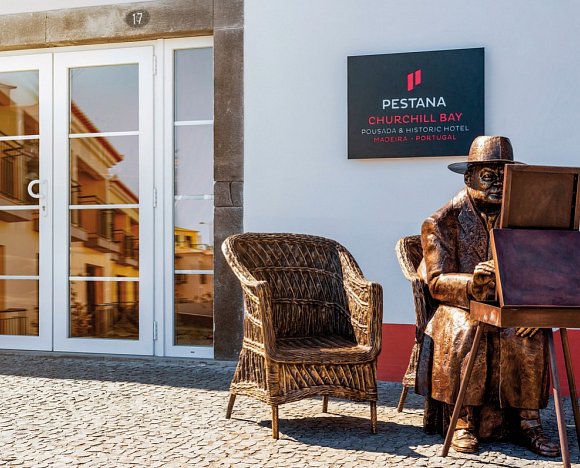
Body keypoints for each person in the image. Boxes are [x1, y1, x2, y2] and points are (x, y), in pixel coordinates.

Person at [417, 136, 559, 456]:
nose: (498, 184)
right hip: (458, 304)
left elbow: (537, 266)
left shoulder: (523, 217)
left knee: (527, 330)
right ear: (469, 178)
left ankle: (528, 422)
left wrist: (532, 304)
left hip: (508, 302)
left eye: (504, 176)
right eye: (488, 176)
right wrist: (472, 284)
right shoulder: (442, 221)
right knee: (468, 329)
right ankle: (463, 420)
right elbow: (436, 282)